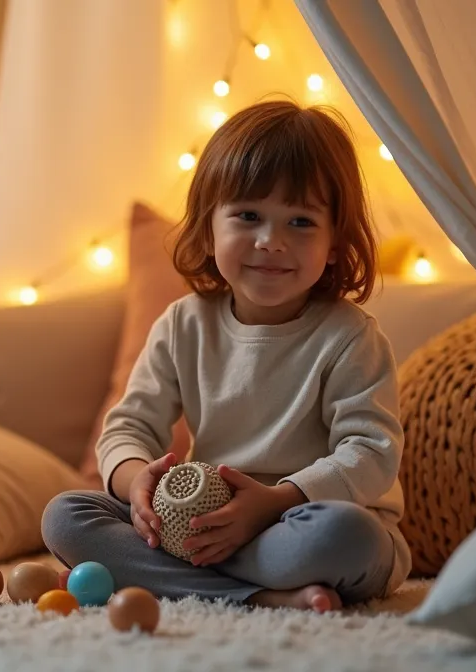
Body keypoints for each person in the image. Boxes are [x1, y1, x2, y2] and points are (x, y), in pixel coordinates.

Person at [42, 99, 410, 613]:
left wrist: (275, 503)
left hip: (299, 522)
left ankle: (175, 577)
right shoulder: (182, 324)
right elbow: (129, 427)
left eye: (301, 222)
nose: (271, 241)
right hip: (204, 527)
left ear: (333, 243)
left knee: (349, 535)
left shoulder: (350, 337)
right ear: (210, 229)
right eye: (249, 215)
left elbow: (370, 454)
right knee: (65, 516)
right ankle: (264, 596)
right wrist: (137, 484)